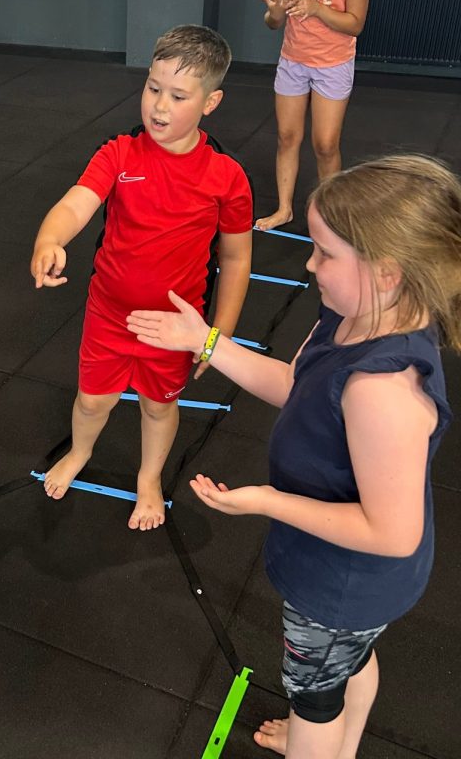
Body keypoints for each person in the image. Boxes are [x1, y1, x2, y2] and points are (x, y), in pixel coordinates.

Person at [127, 154, 459, 757]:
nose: (309, 264)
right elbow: (294, 383)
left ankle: (321, 743)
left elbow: (392, 534)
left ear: (386, 273)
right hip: (340, 575)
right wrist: (205, 340)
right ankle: (338, 745)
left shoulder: (382, 390)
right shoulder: (354, 314)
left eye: (325, 253)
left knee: (314, 699)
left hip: (343, 582)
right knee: (349, 661)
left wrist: (268, 501)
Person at [30, 25, 253, 531]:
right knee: (93, 399)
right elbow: (75, 204)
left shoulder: (226, 176)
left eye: (178, 96)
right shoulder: (120, 153)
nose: (159, 106)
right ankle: (80, 451)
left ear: (211, 102)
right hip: (109, 312)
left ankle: (148, 478)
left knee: (158, 407)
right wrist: (49, 239)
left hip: (173, 327)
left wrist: (217, 336)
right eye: (153, 88)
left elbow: (237, 258)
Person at [255, 0, 369, 231]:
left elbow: (355, 25)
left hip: (334, 63)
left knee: (326, 145)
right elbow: (273, 21)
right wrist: (275, 15)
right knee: (287, 137)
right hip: (293, 60)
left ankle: (330, 215)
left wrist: (318, 9)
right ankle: (284, 209)